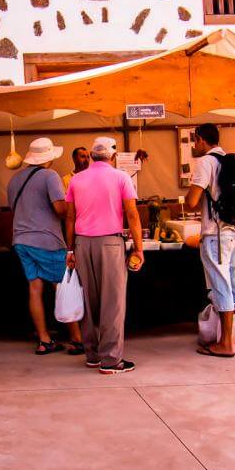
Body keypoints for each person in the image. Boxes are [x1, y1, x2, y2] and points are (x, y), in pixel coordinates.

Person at [65, 137, 143, 374]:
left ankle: (92, 354)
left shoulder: (76, 180)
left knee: (88, 300)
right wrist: (138, 248)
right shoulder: (121, 177)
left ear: (91, 155)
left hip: (81, 243)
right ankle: (111, 360)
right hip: (110, 243)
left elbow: (69, 217)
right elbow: (132, 214)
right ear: (113, 155)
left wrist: (70, 249)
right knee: (113, 302)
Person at [6, 137, 83, 355]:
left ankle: (44, 340)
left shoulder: (14, 179)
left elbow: (13, 207)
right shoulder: (50, 176)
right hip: (47, 240)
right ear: (49, 157)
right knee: (62, 286)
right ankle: (77, 338)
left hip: (20, 240)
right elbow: (60, 210)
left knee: (35, 288)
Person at [185, 124, 235, 357]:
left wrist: (192, 192)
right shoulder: (230, 160)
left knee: (221, 285)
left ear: (201, 139)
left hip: (216, 234)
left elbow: (192, 201)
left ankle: (226, 343)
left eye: (196, 141)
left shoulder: (206, 162)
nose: (195, 146)